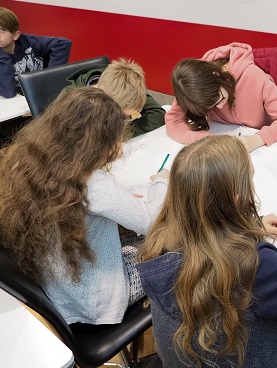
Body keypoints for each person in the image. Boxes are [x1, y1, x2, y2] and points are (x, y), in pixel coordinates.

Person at [136, 135, 277, 367]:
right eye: (250, 179)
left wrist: (251, 226)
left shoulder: (160, 236)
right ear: (236, 197)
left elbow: (208, 228)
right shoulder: (254, 262)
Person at [0, 87, 169, 324]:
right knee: (177, 246)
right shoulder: (91, 184)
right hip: (96, 300)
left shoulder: (26, 161)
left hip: (59, 285)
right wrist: (162, 181)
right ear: (99, 142)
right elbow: (151, 220)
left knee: (134, 232)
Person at [165, 42, 277, 152]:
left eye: (220, 98)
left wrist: (257, 139)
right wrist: (207, 139)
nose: (220, 106)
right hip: (227, 145)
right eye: (212, 106)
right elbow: (173, 122)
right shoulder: (191, 86)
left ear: (217, 75)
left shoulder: (254, 76)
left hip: (261, 147)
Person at [60, 58, 165, 137]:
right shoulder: (69, 104)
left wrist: (119, 135)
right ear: (104, 99)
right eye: (121, 116)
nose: (123, 120)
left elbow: (158, 116)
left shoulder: (124, 86)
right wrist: (107, 142)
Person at [0, 6, 71, 98]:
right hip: (18, 104)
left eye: (2, 30)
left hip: (44, 95)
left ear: (15, 35)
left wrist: (51, 77)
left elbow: (63, 43)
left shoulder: (28, 42)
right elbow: (8, 92)